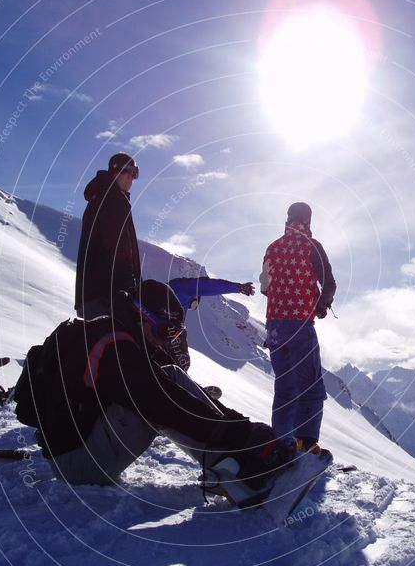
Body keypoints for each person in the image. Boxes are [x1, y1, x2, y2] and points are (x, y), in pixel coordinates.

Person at [19, 279, 298, 505]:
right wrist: (242, 433)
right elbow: (166, 405)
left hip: (72, 453)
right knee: (158, 404)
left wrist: (239, 425)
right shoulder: (117, 347)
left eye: (174, 335)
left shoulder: (111, 333)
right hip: (80, 466)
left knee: (170, 376)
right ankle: (240, 477)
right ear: (141, 315)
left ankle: (238, 458)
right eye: (165, 330)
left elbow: (164, 388)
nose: (166, 340)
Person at [260, 202, 336, 455]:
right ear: (308, 221)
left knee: (285, 387)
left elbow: (265, 287)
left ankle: (283, 441)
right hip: (299, 323)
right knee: (311, 386)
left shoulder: (272, 248)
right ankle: (306, 443)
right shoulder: (312, 246)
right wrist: (322, 306)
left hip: (274, 327)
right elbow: (329, 284)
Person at [74, 152, 142, 319]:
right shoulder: (113, 199)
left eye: (135, 175)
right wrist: (131, 291)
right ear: (117, 171)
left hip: (92, 297)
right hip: (109, 297)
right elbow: (119, 248)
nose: (132, 179)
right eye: (130, 172)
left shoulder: (99, 197)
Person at [168, 277, 255, 312]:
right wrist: (239, 287)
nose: (189, 307)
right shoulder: (182, 288)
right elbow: (212, 286)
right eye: (193, 305)